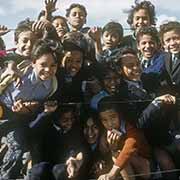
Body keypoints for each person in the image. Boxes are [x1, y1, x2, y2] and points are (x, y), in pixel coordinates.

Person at [0, 39, 61, 179]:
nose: (48, 70)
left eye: (53, 65)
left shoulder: (52, 85)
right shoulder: (19, 73)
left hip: (20, 120)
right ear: (33, 62)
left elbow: (37, 108)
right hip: (2, 113)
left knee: (17, 146)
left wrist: (28, 109)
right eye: (43, 65)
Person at [29, 104, 89, 180]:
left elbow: (81, 147)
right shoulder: (45, 127)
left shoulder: (76, 128)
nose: (70, 122)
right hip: (43, 167)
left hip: (62, 166)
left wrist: (76, 161)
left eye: (72, 119)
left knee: (61, 171)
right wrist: (46, 112)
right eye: (65, 120)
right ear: (56, 119)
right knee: (40, 170)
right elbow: (32, 130)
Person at [97, 96, 151, 180]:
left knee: (118, 154)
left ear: (120, 115)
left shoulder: (130, 127)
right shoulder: (105, 132)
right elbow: (104, 151)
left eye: (113, 117)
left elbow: (129, 148)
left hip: (147, 167)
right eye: (105, 120)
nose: (110, 123)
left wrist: (112, 173)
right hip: (127, 170)